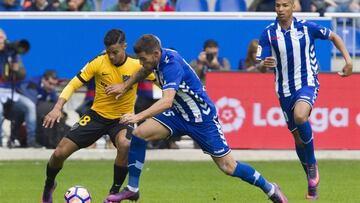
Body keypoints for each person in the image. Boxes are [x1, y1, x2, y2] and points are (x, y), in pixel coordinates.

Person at [104, 34, 288, 203]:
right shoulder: (154, 60)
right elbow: (144, 71)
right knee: (139, 133)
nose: (141, 63)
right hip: (178, 114)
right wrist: (125, 85)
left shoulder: (171, 65)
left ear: (156, 53)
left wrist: (137, 116)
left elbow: (166, 101)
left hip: (201, 119)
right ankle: (133, 189)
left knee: (229, 167)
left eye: (143, 59)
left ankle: (270, 188)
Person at [40, 29, 155, 203]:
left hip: (123, 118)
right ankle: (49, 185)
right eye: (108, 52)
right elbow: (73, 84)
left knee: (125, 144)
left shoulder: (137, 64)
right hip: (96, 116)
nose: (111, 56)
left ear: (124, 46)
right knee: (59, 153)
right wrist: (57, 107)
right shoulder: (98, 62)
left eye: (115, 52)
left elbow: (160, 79)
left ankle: (113, 193)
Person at [256, 0, 353, 200]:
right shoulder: (267, 33)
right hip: (283, 91)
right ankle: (311, 184)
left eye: (284, 5)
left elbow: (334, 36)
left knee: (300, 117)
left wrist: (349, 61)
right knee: (298, 139)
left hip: (307, 82)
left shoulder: (306, 26)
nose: (280, 9)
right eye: (277, 6)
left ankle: (312, 165)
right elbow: (260, 63)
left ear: (293, 6)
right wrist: (265, 63)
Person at [0, 28, 41, 148]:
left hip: (12, 91)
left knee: (30, 106)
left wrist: (17, 69)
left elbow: (23, 75)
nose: (1, 42)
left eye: (2, 39)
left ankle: (31, 140)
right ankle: (1, 140)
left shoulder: (12, 53)